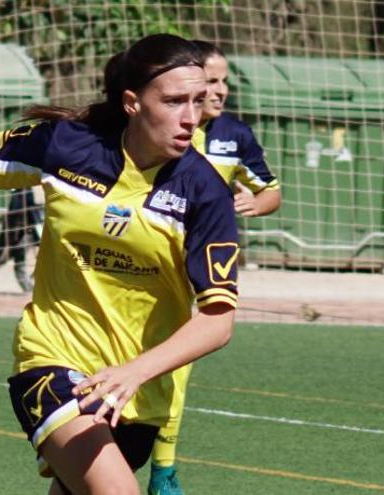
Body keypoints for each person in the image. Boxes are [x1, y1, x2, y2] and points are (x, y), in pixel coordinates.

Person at [0, 34, 239, 495]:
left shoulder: (204, 190)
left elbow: (218, 320)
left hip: (137, 392)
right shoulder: (70, 147)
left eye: (196, 100)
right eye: (173, 101)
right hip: (51, 359)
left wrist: (133, 372)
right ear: (132, 103)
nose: (190, 117)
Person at [147, 40, 282, 495]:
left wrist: (254, 202)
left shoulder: (234, 136)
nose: (219, 90)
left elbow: (271, 192)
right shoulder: (157, 134)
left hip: (197, 270)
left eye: (223, 81)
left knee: (177, 367)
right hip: (143, 260)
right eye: (211, 80)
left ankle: (163, 469)